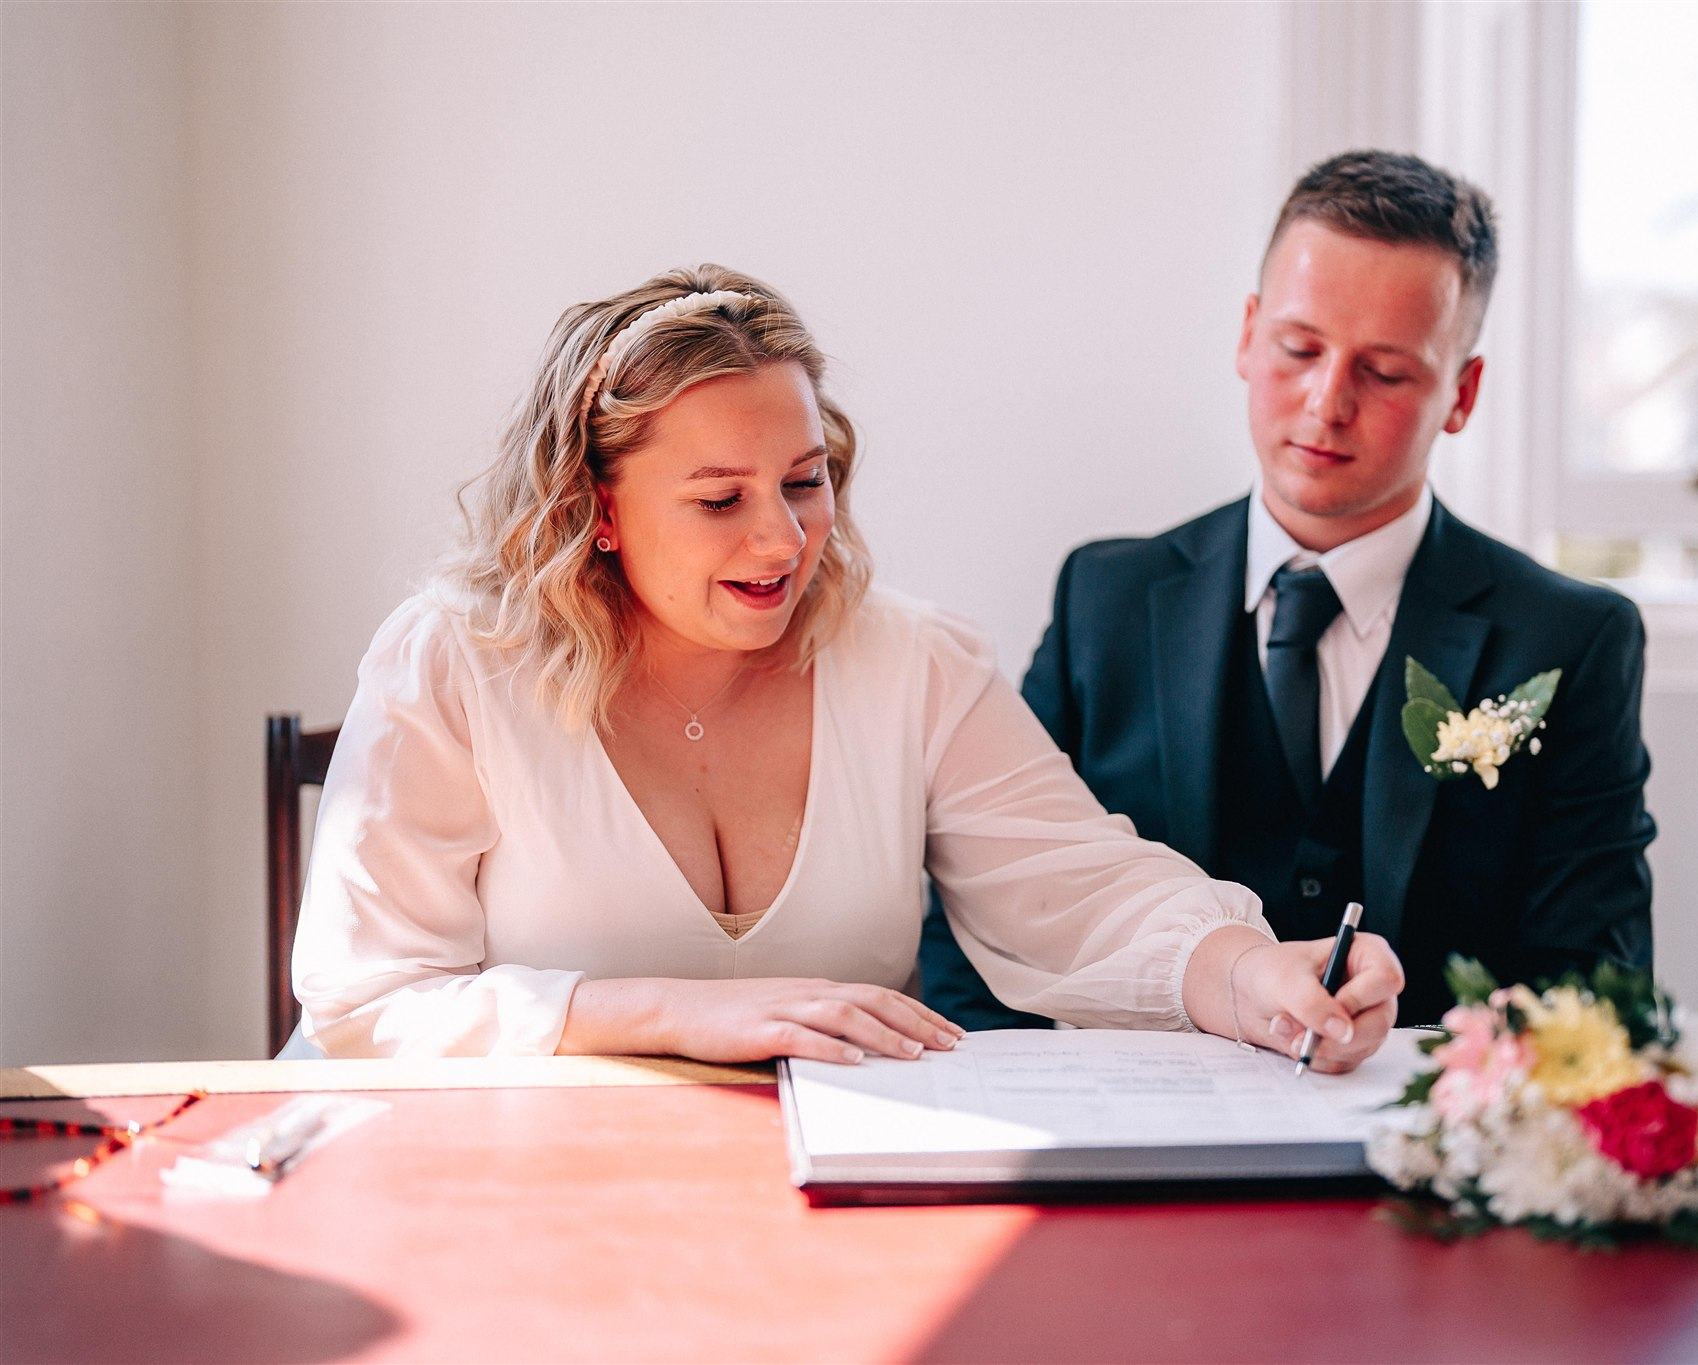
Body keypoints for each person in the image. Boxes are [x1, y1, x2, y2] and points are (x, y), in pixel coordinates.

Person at [293, 264, 1403, 1069]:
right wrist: (660, 1014)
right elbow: (366, 998)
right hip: (503, 1181)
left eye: (805, 479)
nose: (781, 538)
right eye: (719, 499)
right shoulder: (454, 660)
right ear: (598, 511)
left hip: (824, 1182)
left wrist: (1251, 975)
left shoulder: (910, 661)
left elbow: (1079, 891)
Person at [921, 150, 1655, 1030]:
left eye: (1384, 372)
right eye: (1299, 349)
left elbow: (1593, 984)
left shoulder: (1568, 638)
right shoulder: (1105, 600)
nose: (1325, 402)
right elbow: (984, 922)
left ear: (1461, 393)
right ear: (1246, 334)